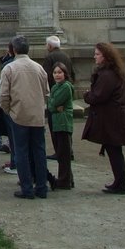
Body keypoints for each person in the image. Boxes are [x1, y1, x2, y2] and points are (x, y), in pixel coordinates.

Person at [0, 35, 50, 199]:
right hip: (37, 116)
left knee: (21, 152)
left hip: (18, 116)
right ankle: (42, 188)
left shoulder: (9, 69)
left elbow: (3, 96)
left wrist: (9, 111)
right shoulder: (39, 68)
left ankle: (27, 188)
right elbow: (46, 92)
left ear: (13, 50)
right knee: (39, 152)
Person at [82, 42, 125, 195]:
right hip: (115, 118)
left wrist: (86, 95)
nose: (95, 57)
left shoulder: (107, 75)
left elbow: (97, 96)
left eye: (97, 54)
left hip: (112, 120)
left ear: (105, 56)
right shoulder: (116, 73)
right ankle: (119, 182)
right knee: (114, 151)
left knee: (114, 151)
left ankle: (121, 183)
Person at [47, 62, 75, 190]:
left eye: (59, 72)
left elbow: (54, 103)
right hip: (55, 121)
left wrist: (52, 103)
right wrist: (52, 104)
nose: (57, 75)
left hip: (63, 122)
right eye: (55, 73)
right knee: (60, 152)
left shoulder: (65, 87)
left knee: (64, 153)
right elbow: (51, 105)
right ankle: (68, 178)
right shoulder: (54, 87)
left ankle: (64, 180)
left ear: (65, 73)